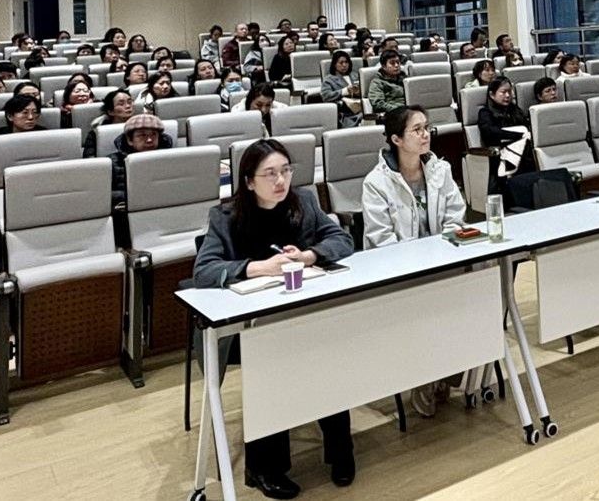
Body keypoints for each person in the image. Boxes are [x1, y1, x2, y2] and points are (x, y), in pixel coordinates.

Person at [192, 139, 355, 496]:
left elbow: (342, 241)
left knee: (329, 351)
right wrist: (257, 267)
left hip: (304, 314)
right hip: (247, 329)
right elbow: (203, 271)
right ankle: (265, 468)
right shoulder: (225, 216)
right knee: (271, 356)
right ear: (249, 181)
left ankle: (340, 450)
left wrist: (310, 256)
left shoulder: (304, 202)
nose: (281, 181)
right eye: (270, 174)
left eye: (285, 171)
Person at [360, 105, 467, 417]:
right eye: (417, 130)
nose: (425, 135)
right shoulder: (376, 183)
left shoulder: (440, 170)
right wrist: (417, 263)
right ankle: (424, 378)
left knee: (467, 296)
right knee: (425, 308)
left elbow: (455, 216)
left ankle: (447, 372)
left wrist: (443, 253)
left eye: (427, 127)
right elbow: (381, 238)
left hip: (441, 264)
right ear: (396, 139)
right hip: (399, 272)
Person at [0, 94, 47, 181]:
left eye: (35, 112)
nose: (31, 117)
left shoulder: (45, 135)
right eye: (25, 113)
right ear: (10, 116)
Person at [108, 114, 174, 207]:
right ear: (130, 140)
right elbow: (103, 195)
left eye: (153, 134)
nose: (149, 140)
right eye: (142, 135)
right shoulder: (112, 163)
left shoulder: (171, 159)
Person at [477, 77, 535, 176]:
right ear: (492, 94)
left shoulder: (514, 109)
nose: (508, 95)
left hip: (524, 151)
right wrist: (519, 135)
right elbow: (490, 132)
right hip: (499, 156)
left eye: (509, 91)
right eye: (503, 92)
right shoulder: (485, 112)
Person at [84, 88, 135, 157]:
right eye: (121, 104)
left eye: (130, 102)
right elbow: (90, 159)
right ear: (111, 112)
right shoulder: (96, 134)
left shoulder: (142, 127)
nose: (128, 106)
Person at [321, 51, 363, 127]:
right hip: (345, 113)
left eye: (346, 62)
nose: (344, 65)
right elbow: (326, 96)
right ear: (334, 64)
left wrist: (360, 91)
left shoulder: (356, 75)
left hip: (361, 107)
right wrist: (345, 91)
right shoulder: (329, 79)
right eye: (341, 63)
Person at [367, 50, 406, 115]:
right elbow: (378, 104)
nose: (396, 65)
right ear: (384, 66)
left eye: (398, 62)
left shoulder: (405, 78)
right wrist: (399, 110)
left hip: (409, 109)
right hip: (392, 113)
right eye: (392, 63)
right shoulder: (377, 82)